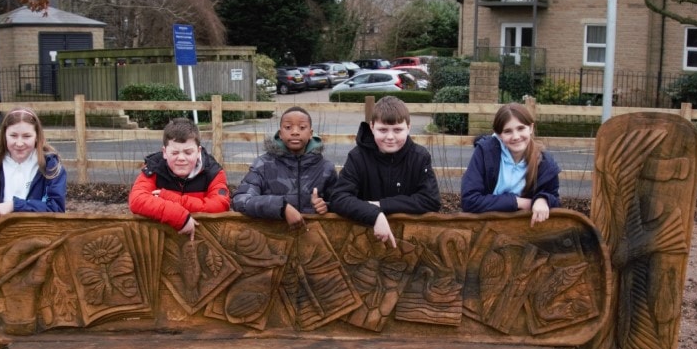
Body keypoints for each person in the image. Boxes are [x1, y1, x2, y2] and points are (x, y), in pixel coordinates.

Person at [328, 96, 440, 247]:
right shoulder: (357, 157)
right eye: (382, 130)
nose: (390, 137)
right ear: (372, 127)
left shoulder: (420, 157)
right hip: (365, 237)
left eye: (398, 130)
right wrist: (374, 214)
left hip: (409, 240)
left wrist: (381, 205)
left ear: (408, 127)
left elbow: (430, 200)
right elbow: (339, 198)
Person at [232, 106, 337, 229]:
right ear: (280, 134)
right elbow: (240, 200)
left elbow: (341, 202)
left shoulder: (326, 168)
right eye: (288, 127)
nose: (295, 132)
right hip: (273, 237)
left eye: (302, 127)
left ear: (310, 133)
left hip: (313, 237)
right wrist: (281, 207)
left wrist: (326, 206)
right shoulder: (263, 165)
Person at [461, 102, 561, 226]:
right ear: (499, 135)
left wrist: (543, 199)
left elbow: (555, 199)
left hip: (525, 228)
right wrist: (519, 202)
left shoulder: (545, 163)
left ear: (530, 128)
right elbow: (469, 200)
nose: (516, 137)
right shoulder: (484, 153)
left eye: (521, 128)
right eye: (507, 131)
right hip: (484, 226)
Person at [128, 117, 230, 237]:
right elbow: (136, 200)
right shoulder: (154, 169)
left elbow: (220, 206)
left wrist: (169, 197)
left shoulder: (213, 172)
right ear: (164, 152)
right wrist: (179, 217)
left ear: (198, 151)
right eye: (175, 153)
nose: (181, 158)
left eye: (188, 152)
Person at [0, 107, 66, 216]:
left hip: (37, 226)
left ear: (37, 136)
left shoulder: (51, 166)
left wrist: (15, 205)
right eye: (13, 135)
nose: (19, 143)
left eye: (26, 136)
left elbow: (56, 207)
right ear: (4, 135)